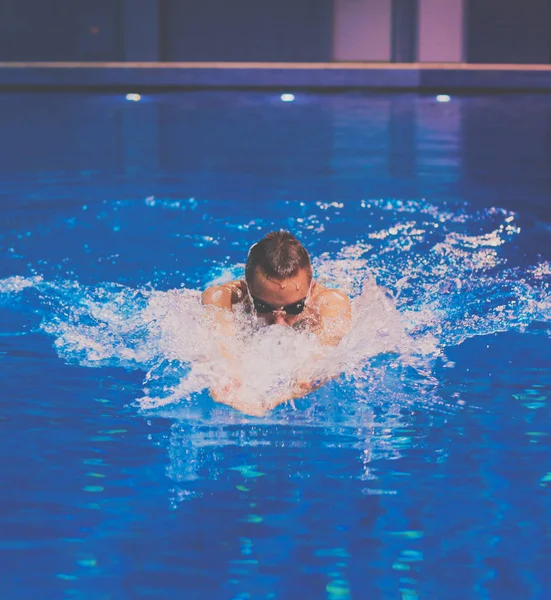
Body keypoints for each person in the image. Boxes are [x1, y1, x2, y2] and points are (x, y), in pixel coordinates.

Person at [201, 231, 352, 414]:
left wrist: (289, 393)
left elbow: (324, 357)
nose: (279, 322)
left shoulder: (330, 302)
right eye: (262, 306)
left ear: (311, 290)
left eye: (294, 308)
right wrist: (226, 384)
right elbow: (224, 351)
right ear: (247, 289)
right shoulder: (223, 298)